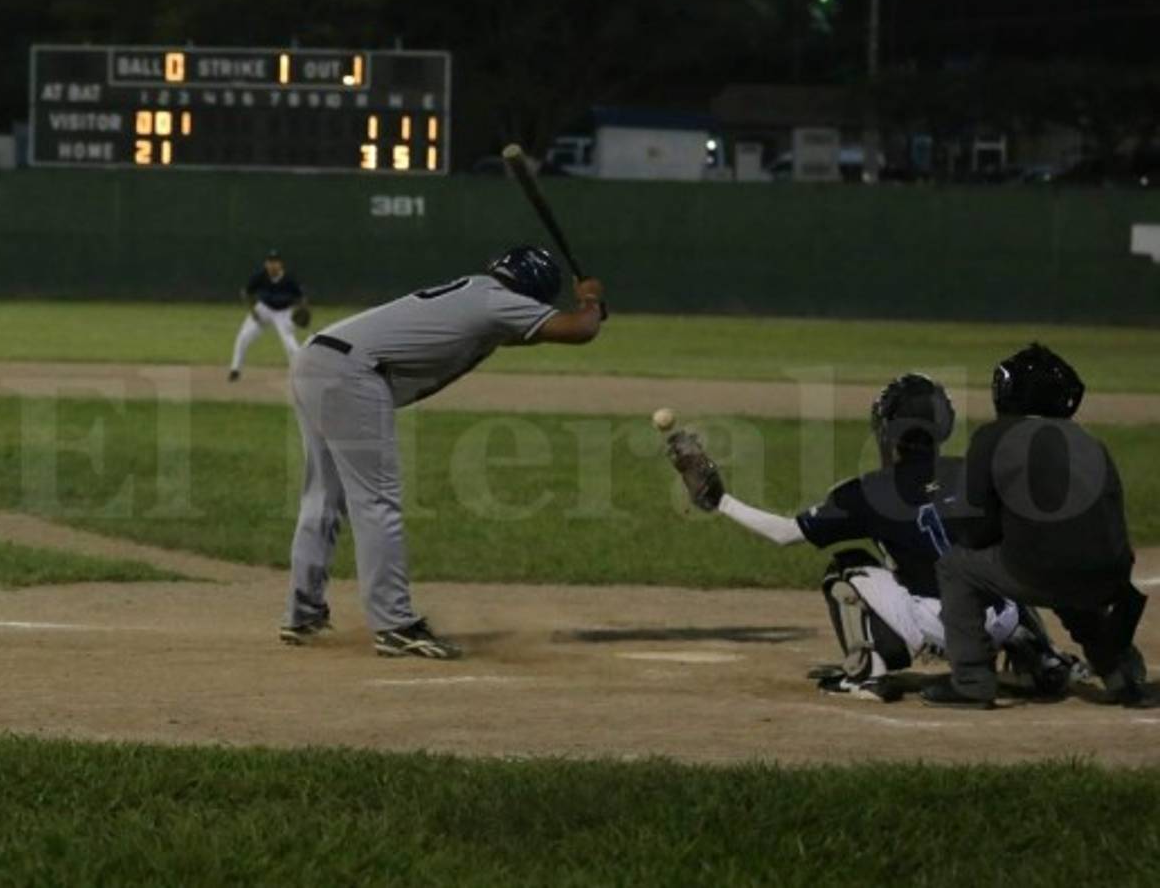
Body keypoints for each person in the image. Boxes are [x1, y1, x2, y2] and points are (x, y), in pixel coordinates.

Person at [666, 373, 1075, 703]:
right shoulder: (977, 471)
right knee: (1003, 553)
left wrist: (721, 502)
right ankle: (1041, 654)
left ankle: (867, 673)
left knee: (846, 566)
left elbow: (786, 534)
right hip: (1001, 617)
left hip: (940, 627)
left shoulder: (870, 490)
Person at [282, 246, 605, 658]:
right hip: (353, 374)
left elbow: (530, 334)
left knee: (323, 497)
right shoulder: (498, 302)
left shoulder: (479, 293)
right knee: (376, 501)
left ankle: (303, 615)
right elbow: (579, 330)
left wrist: (585, 312)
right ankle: (394, 624)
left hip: (318, 360)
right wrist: (591, 299)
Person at [925, 343, 1151, 709]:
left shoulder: (994, 435)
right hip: (1111, 577)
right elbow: (1108, 522)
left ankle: (971, 681)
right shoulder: (1091, 442)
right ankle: (1120, 676)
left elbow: (975, 530)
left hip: (1042, 570)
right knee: (1072, 584)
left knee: (957, 566)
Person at [228, 249, 309, 381]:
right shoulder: (260, 276)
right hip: (263, 309)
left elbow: (302, 296)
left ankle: (298, 373)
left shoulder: (289, 279)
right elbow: (246, 292)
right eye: (270, 262)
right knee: (243, 337)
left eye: (275, 262)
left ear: (281, 264)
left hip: (283, 312)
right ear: (266, 264)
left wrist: (302, 308)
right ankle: (235, 369)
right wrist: (253, 311)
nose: (272, 265)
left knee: (290, 344)